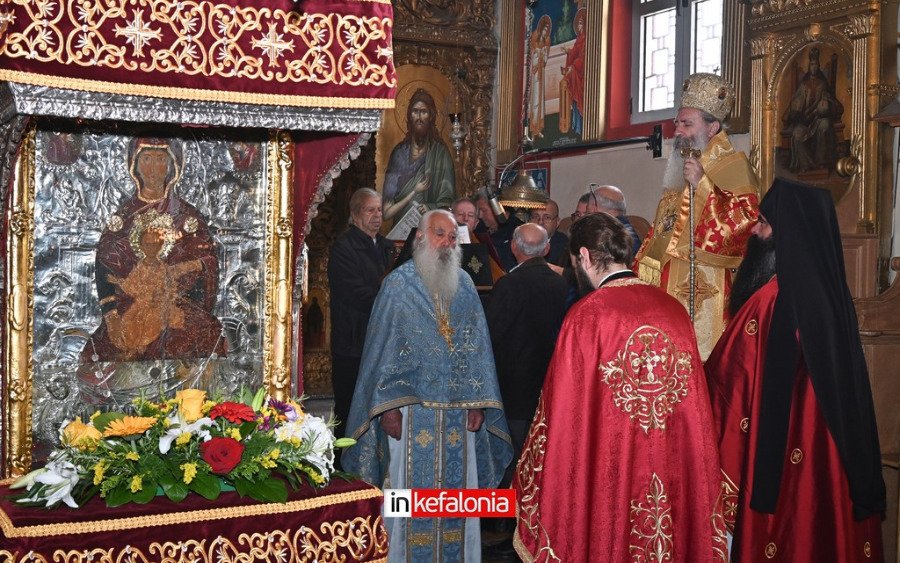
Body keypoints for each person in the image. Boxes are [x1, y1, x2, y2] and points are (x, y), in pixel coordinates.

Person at [513, 213, 727, 562]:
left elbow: (561, 412)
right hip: (670, 459)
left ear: (583, 257)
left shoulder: (587, 316)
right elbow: (696, 411)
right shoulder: (674, 311)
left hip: (609, 466)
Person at [704, 178, 885, 562]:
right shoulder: (833, 295)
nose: (754, 231)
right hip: (832, 461)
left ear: (789, 233)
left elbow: (727, 381)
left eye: (764, 224)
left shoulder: (769, 302)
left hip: (781, 463)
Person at [343, 209, 513, 562]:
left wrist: (478, 402)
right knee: (405, 498)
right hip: (410, 415)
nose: (448, 243)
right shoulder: (397, 286)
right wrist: (387, 407)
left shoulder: (465, 284)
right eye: (440, 234)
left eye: (453, 237)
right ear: (419, 238)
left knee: (457, 502)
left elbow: (476, 347)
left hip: (457, 419)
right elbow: (382, 352)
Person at [634, 72, 760, 358]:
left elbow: (745, 225)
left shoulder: (734, 166)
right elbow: (664, 226)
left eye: (686, 124)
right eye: (677, 123)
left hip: (706, 287)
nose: (677, 131)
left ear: (712, 127)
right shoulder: (682, 165)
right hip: (666, 285)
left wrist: (703, 185)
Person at [82, 137, 224, 365]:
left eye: (160, 159)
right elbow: (105, 266)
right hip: (130, 307)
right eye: (146, 159)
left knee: (202, 335)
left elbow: (207, 259)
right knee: (106, 349)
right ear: (134, 165)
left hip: (176, 304)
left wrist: (188, 270)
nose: (153, 168)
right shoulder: (123, 217)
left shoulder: (187, 216)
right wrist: (111, 316)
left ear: (172, 165)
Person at [483, 223, 568, 557]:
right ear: (546, 249)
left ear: (515, 249)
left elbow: (492, 335)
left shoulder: (509, 284)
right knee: (539, 459)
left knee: (509, 460)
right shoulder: (561, 284)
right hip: (548, 388)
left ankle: (503, 526)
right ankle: (535, 524)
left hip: (513, 389)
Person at [327, 188, 393, 445]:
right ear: (355, 215)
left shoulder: (387, 247)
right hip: (353, 343)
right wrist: (389, 293)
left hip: (382, 341)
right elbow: (356, 293)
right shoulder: (344, 248)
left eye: (379, 210)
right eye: (370, 210)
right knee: (349, 408)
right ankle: (342, 471)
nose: (377, 216)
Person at [382, 88, 456, 225]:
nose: (419, 117)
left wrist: (431, 207)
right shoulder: (399, 153)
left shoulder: (440, 153)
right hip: (400, 230)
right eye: (415, 111)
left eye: (424, 112)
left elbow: (449, 201)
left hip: (430, 228)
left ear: (431, 116)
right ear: (410, 116)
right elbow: (386, 210)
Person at [782, 47, 844, 173]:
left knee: (825, 125)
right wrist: (795, 109)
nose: (814, 67)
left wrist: (825, 105)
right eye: (812, 64)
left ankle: (822, 163)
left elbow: (830, 101)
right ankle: (807, 165)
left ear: (819, 66)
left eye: (816, 64)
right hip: (804, 121)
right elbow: (795, 104)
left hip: (819, 120)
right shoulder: (803, 85)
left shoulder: (823, 84)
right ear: (809, 66)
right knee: (797, 134)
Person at [585, 184, 642, 259]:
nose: (585, 213)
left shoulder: (609, 237)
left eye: (587, 208)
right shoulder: (627, 232)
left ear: (593, 209)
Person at [559, 8, 586, 135]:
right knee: (567, 85)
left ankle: (580, 125)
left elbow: (583, 57)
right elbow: (575, 52)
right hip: (575, 72)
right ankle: (575, 125)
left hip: (581, 74)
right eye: (578, 23)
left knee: (578, 97)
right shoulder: (578, 39)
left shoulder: (586, 39)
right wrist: (568, 52)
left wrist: (573, 67)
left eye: (581, 23)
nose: (579, 25)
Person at [529, 15, 551, 137]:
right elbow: (533, 59)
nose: (545, 31)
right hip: (536, 74)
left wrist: (544, 55)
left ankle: (539, 128)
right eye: (544, 29)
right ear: (541, 29)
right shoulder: (535, 44)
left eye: (547, 30)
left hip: (541, 75)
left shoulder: (544, 45)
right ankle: (534, 127)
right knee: (536, 100)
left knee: (540, 100)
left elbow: (545, 58)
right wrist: (538, 57)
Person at [529, 199, 569, 267]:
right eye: (535, 217)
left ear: (557, 222)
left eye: (547, 217)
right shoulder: (522, 240)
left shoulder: (565, 247)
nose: (540, 222)